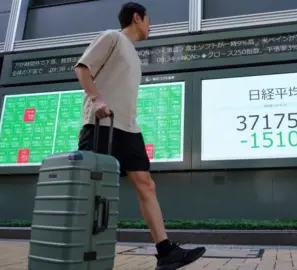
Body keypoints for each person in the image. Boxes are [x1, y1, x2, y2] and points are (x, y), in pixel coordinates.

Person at [74, 2, 206, 270]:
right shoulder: (112, 37)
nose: (150, 25)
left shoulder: (133, 54)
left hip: (129, 128)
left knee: (146, 184)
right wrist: (97, 100)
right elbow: (82, 68)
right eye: (148, 20)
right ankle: (77, 250)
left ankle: (165, 252)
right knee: (92, 192)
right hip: (102, 125)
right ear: (137, 17)